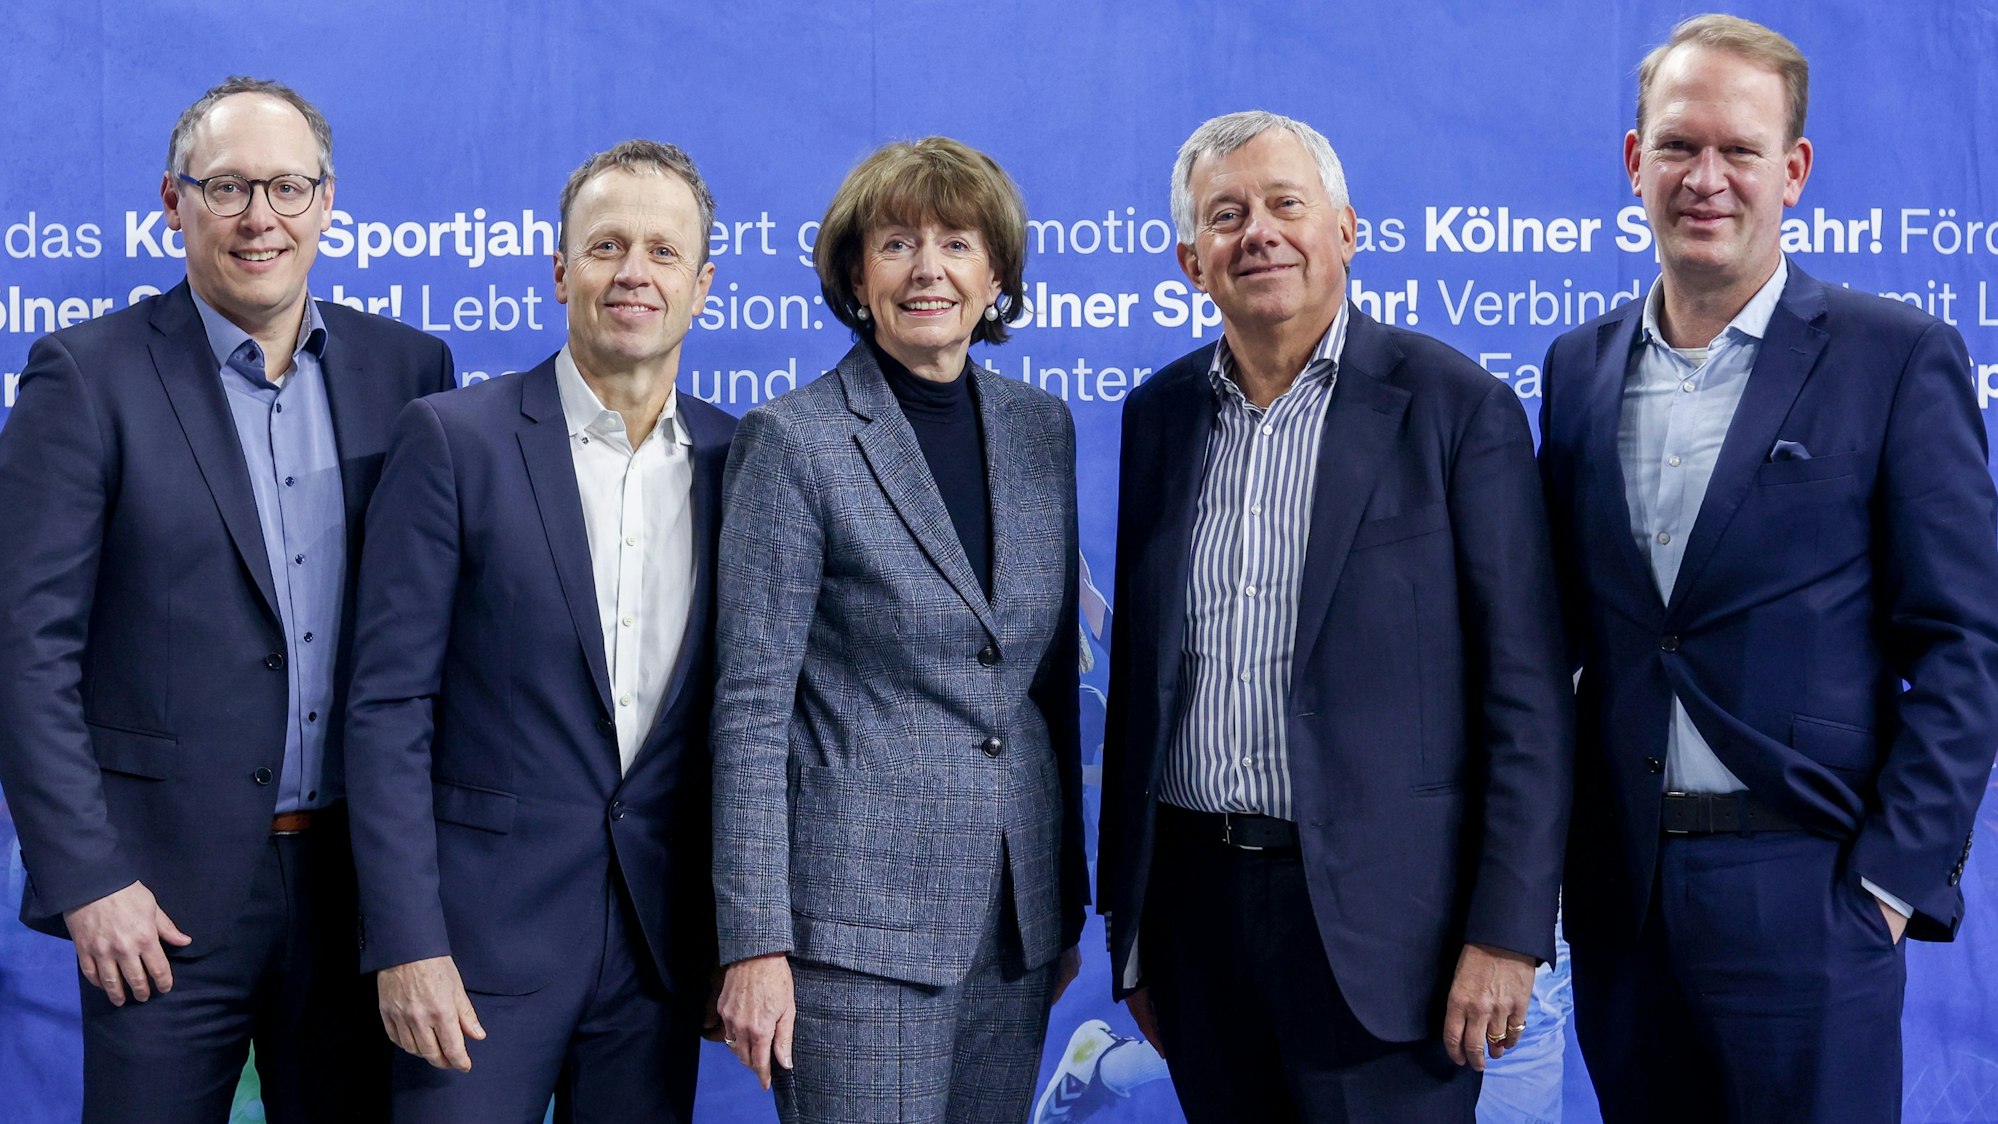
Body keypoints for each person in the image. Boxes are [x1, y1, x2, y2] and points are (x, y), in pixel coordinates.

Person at [1538, 13, 1998, 1121]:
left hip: (1811, 896)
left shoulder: (1896, 356)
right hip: (1622, 905)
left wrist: (1887, 885)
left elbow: (1964, 644)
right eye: (1678, 145)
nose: (1706, 177)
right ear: (1633, 160)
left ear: (1790, 171)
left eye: (1738, 150)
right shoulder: (1577, 367)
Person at [1096, 110, 1572, 1122]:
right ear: (1192, 259)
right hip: (1196, 923)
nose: (1257, 232)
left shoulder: (1455, 408)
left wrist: (1509, 932)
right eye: (1227, 215)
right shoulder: (1159, 415)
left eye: (1284, 204)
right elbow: (1138, 682)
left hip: (1392, 937)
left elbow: (1527, 696)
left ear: (1346, 231)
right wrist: (1130, 925)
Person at [0, 77, 456, 1122]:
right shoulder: (86, 375)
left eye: (290, 188)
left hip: (357, 890)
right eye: (230, 187)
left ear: (328, 203)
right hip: (156, 903)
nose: (263, 218)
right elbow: (24, 649)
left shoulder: (411, 369)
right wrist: (89, 878)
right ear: (174, 202)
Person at [342, 140, 735, 1122]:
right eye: (606, 246)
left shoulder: (746, 461)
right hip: (471, 958)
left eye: (661, 251)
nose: (633, 273)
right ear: (561, 270)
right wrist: (405, 939)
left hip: (657, 958)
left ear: (702, 287)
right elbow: (389, 709)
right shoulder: (452, 440)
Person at [712, 136, 1087, 1123]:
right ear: (854, 273)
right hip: (854, 933)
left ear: (996, 271)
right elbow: (751, 708)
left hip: (1015, 924)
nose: (929, 269)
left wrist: (1063, 899)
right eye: (897, 244)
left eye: (958, 243)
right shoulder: (795, 440)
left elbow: (1046, 682)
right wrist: (753, 940)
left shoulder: (1040, 429)